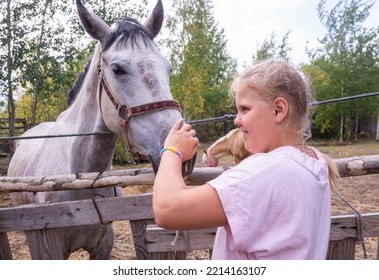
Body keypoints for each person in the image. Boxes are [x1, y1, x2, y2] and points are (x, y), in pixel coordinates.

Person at [153, 58, 338, 260]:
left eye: (245, 109)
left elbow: (167, 209)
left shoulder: (266, 171)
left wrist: (172, 150)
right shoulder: (316, 163)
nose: (236, 120)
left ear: (278, 110)